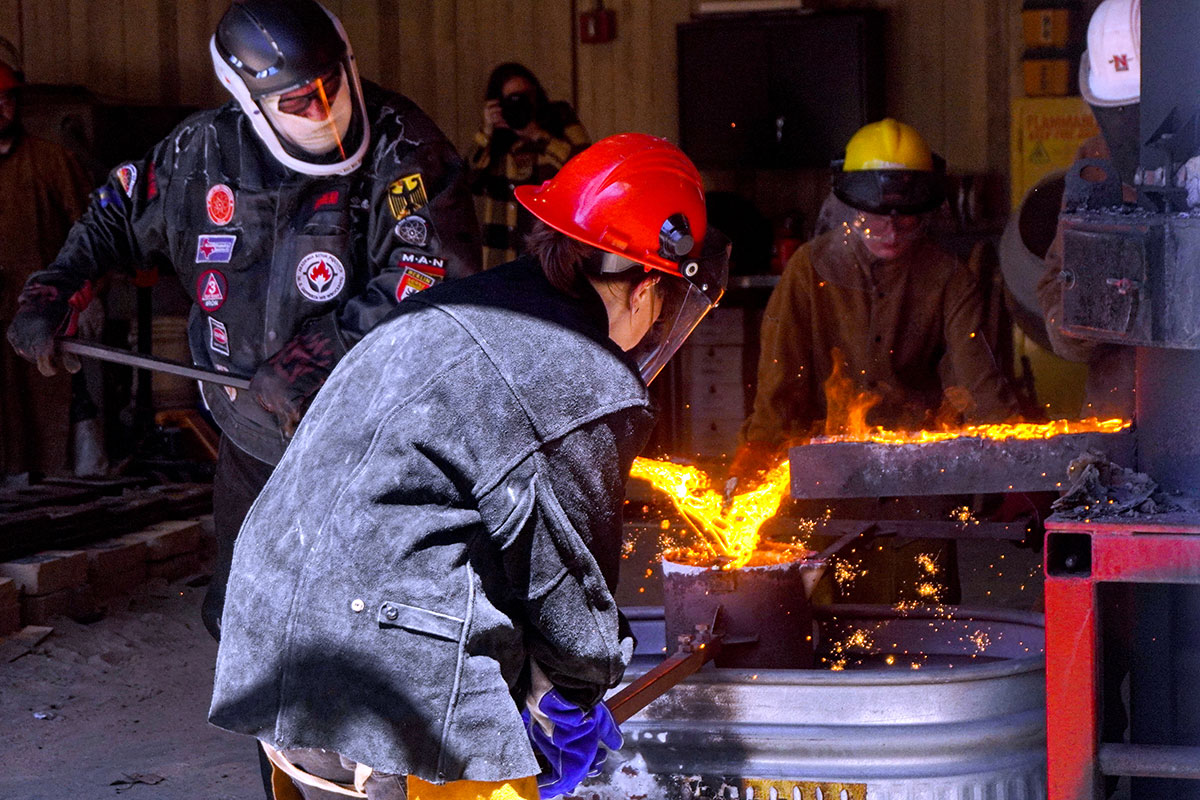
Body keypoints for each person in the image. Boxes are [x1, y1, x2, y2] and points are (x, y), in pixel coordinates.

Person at [207, 133, 728, 800]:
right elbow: (568, 582)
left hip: (266, 650)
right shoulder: (586, 376)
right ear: (649, 285)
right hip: (389, 689)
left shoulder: (442, 310)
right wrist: (570, 697)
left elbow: (443, 510)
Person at [5, 0, 481, 640]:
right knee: (246, 623)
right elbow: (118, 209)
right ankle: (272, 742)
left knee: (376, 629)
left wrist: (324, 351)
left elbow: (431, 274)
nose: (322, 109)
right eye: (296, 101)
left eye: (329, 85)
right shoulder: (201, 154)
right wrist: (57, 286)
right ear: (249, 99)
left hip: (374, 444)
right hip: (252, 436)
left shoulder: (406, 148)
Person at [731, 119, 1020, 603]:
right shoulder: (808, 271)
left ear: (927, 211)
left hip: (918, 489)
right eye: (875, 218)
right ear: (848, 206)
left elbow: (978, 379)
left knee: (924, 630)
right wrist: (757, 457)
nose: (890, 231)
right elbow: (779, 381)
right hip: (826, 489)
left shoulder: (948, 278)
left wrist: (1016, 464)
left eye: (906, 218)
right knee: (825, 629)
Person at [1036, 0, 1139, 420]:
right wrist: (1081, 319)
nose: (1127, 128)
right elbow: (1054, 286)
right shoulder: (1095, 159)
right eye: (1119, 114)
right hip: (1120, 413)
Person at [0, 60, 92, 481]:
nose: (0, 109)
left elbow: (91, 235)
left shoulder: (52, 160)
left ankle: (53, 495)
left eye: (6, 100)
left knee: (48, 411)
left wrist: (87, 298)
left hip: (42, 318)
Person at [469, 62, 590, 269]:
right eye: (510, 100)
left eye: (524, 97)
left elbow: (587, 169)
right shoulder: (495, 137)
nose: (518, 105)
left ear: (537, 94)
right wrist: (486, 132)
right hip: (501, 254)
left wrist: (538, 135)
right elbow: (468, 181)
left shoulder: (559, 118)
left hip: (550, 253)